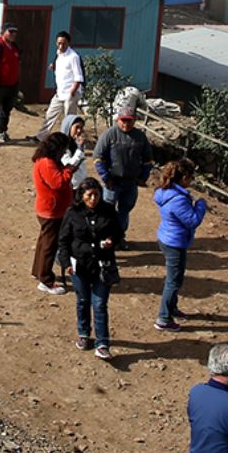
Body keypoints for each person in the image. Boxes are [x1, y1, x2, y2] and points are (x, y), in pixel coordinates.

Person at [59, 182, 122, 360]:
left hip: (103, 265)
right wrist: (66, 263)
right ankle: (84, 334)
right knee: (83, 300)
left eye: (96, 195)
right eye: (89, 195)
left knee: (100, 304)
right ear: (82, 195)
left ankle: (102, 344)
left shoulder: (109, 211)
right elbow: (63, 240)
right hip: (79, 266)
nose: (93, 199)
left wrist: (112, 240)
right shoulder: (72, 213)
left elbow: (119, 232)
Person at [153, 158, 209, 331]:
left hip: (168, 237)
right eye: (190, 178)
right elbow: (192, 220)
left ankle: (172, 308)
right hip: (175, 242)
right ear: (184, 177)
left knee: (175, 278)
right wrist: (200, 204)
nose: (191, 181)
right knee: (173, 281)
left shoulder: (166, 192)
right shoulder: (178, 199)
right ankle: (163, 318)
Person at [92, 110, 153, 237]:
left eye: (129, 120)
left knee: (124, 211)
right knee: (107, 210)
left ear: (134, 120)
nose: (126, 123)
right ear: (118, 120)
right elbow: (98, 158)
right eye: (123, 120)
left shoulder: (140, 136)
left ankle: (119, 237)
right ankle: (105, 236)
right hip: (112, 182)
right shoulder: (109, 134)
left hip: (131, 183)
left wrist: (143, 177)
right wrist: (105, 177)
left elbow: (148, 160)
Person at [30, 133, 75, 295]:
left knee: (44, 243)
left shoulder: (44, 160)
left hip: (48, 209)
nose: (63, 153)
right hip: (51, 211)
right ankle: (46, 280)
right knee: (50, 246)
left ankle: (39, 271)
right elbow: (59, 183)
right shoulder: (47, 163)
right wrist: (70, 169)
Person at [39, 31, 84, 139]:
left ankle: (67, 140)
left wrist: (72, 92)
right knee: (50, 114)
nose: (61, 46)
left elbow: (79, 76)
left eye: (63, 43)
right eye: (59, 43)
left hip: (71, 92)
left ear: (68, 43)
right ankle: (41, 136)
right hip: (60, 92)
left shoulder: (73, 57)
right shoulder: (59, 54)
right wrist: (53, 66)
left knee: (69, 118)